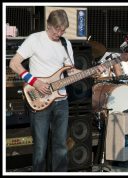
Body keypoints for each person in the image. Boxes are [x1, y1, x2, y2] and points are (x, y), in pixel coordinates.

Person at [9, 9, 105, 172]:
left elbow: (71, 71)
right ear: (48, 25)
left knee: (61, 146)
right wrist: (35, 82)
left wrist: (92, 71)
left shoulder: (65, 43)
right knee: (40, 147)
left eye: (62, 30)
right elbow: (14, 63)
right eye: (56, 30)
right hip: (38, 98)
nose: (59, 33)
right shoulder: (35, 39)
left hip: (61, 102)